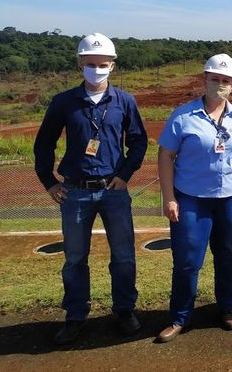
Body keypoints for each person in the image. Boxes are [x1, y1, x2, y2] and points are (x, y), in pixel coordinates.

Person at [34, 33, 148, 345]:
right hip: (75, 192)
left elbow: (138, 141)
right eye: (90, 64)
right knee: (74, 258)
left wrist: (125, 174)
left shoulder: (124, 101)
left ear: (112, 66)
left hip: (114, 190)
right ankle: (75, 315)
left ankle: (124, 310)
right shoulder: (64, 102)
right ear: (80, 64)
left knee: (123, 256)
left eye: (102, 64)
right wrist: (49, 182)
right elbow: (44, 143)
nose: (96, 69)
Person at [156, 54, 232, 343]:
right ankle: (180, 317)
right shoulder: (183, 116)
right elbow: (165, 156)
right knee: (188, 259)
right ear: (204, 79)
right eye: (215, 79)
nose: (220, 84)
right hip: (192, 197)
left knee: (227, 253)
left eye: (226, 80)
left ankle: (227, 308)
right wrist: (169, 197)